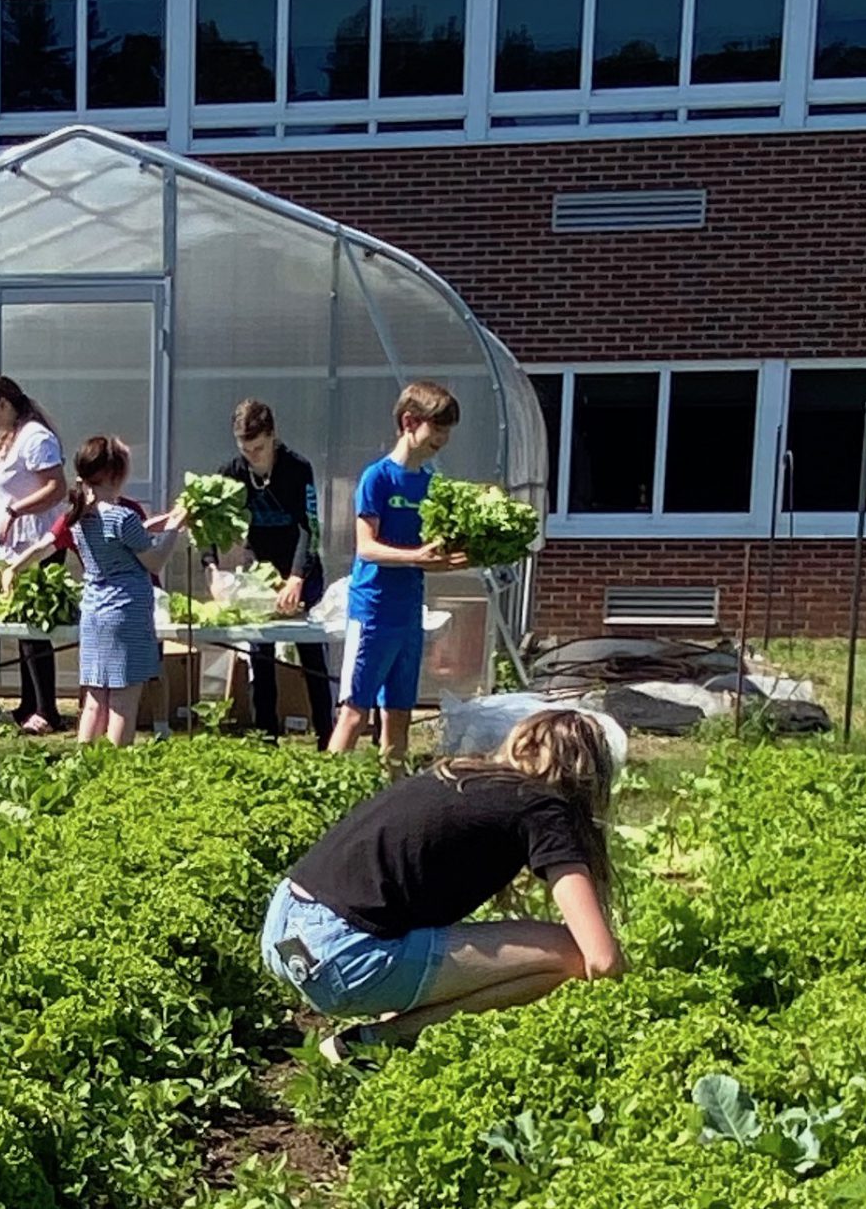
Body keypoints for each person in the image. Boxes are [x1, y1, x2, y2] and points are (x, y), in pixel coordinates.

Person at [265, 706, 624, 1065]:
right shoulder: (541, 807)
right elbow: (601, 959)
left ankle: (388, 1031)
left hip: (284, 928)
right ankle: (377, 1041)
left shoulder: (461, 774)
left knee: (425, 923)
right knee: (568, 953)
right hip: (340, 955)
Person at [8, 435, 185, 747]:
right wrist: (175, 528)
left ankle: (83, 767)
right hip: (126, 615)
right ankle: (112, 775)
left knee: (94, 700)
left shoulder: (78, 516)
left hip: (94, 613)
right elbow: (155, 561)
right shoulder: (123, 516)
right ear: (116, 474)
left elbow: (124, 536)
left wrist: (13, 569)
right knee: (123, 704)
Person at [326, 382, 470, 764]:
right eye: (437, 428)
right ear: (409, 422)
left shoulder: (431, 485)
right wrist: (416, 557)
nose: (443, 438)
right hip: (372, 610)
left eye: (448, 431)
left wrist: (461, 555)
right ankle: (324, 793)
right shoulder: (378, 477)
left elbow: (435, 549)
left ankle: (393, 794)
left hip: (409, 611)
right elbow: (366, 548)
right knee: (355, 713)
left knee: (399, 714)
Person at [215, 400, 334, 741]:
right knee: (260, 652)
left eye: (259, 448)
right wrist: (212, 569)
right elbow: (205, 517)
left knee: (311, 651)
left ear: (273, 437)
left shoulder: (298, 468)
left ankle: (327, 735)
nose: (253, 455)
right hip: (259, 574)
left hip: (300, 568)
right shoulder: (232, 472)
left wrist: (297, 577)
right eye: (246, 449)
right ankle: (265, 735)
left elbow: (309, 527)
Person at [0, 375, 69, 734]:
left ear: (4, 404)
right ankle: (28, 703)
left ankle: (47, 710)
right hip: (12, 550)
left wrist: (15, 511)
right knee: (22, 626)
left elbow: (56, 487)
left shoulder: (35, 438)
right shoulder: (10, 439)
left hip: (36, 546)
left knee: (34, 627)